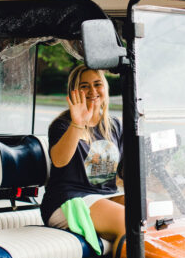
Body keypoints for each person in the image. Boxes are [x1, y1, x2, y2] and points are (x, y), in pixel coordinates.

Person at [40, 65, 125, 244]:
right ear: (74, 92)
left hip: (103, 196)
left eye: (97, 84)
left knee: (148, 212)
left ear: (105, 88)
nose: (92, 91)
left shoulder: (114, 126)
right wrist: (78, 123)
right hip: (69, 200)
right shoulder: (62, 125)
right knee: (128, 223)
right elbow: (59, 160)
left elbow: (124, 174)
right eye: (84, 86)